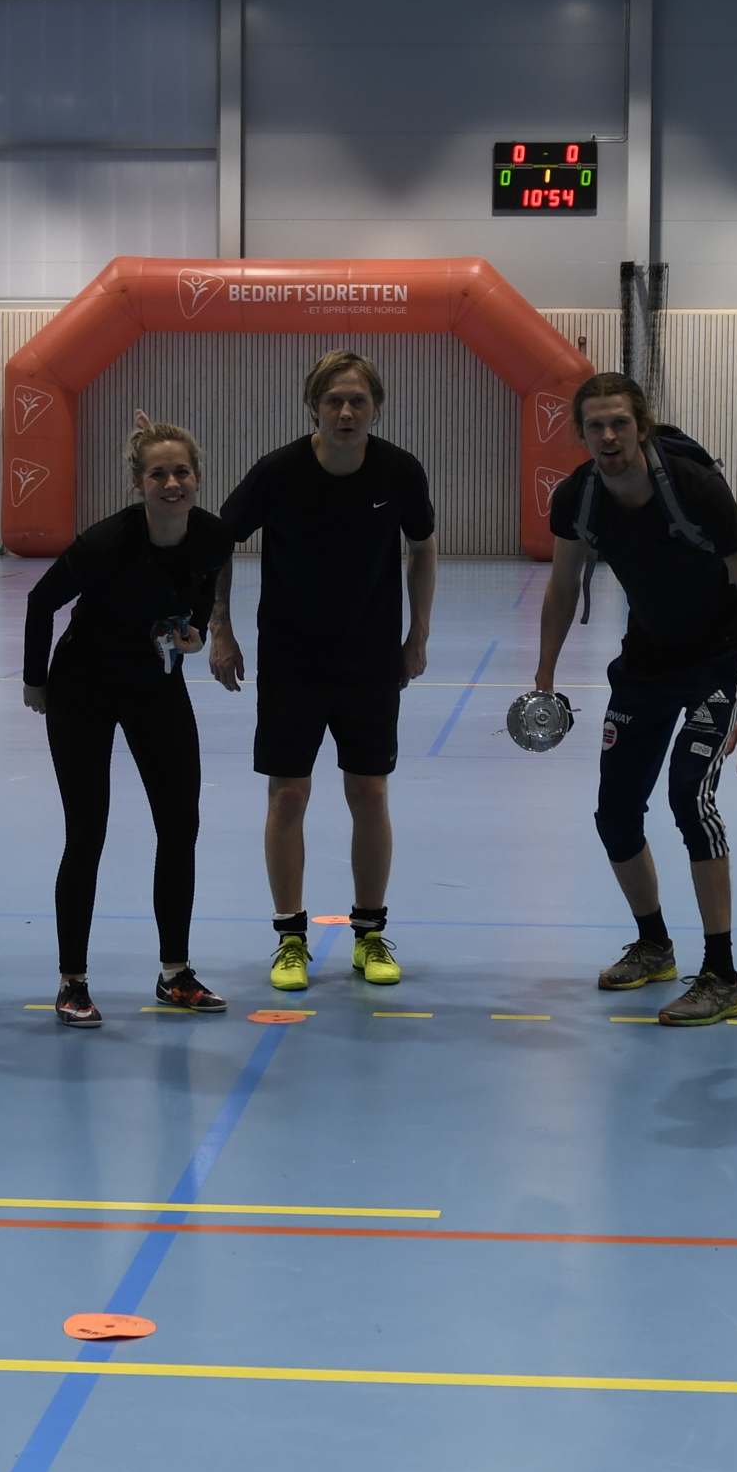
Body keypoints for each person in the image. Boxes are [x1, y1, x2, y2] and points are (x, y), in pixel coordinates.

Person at [532, 370, 737, 1027]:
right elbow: (562, 586)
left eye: (620, 422)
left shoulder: (695, 489)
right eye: (595, 425)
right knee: (615, 814)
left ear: (641, 427)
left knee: (689, 798)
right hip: (646, 660)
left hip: (717, 659)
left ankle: (722, 975)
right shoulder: (579, 497)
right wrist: (545, 677)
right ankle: (654, 945)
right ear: (581, 434)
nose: (609, 436)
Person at [209, 350, 437, 994]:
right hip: (292, 660)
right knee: (288, 795)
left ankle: (369, 934)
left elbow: (422, 548)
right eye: (334, 400)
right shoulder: (278, 472)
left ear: (375, 408)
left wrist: (417, 634)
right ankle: (290, 939)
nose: (346, 412)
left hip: (370, 660)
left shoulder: (399, 471)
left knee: (370, 794)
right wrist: (221, 629)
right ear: (314, 406)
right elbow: (218, 542)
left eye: (358, 401)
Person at [24, 415, 234, 1028]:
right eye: (158, 474)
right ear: (139, 485)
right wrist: (36, 681)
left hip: (153, 686)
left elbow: (204, 583)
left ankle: (175, 973)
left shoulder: (213, 535)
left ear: (197, 478)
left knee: (180, 823)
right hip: (83, 689)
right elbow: (41, 601)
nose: (171, 483)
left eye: (181, 472)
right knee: (87, 831)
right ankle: (72, 981)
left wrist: (195, 629)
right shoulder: (105, 543)